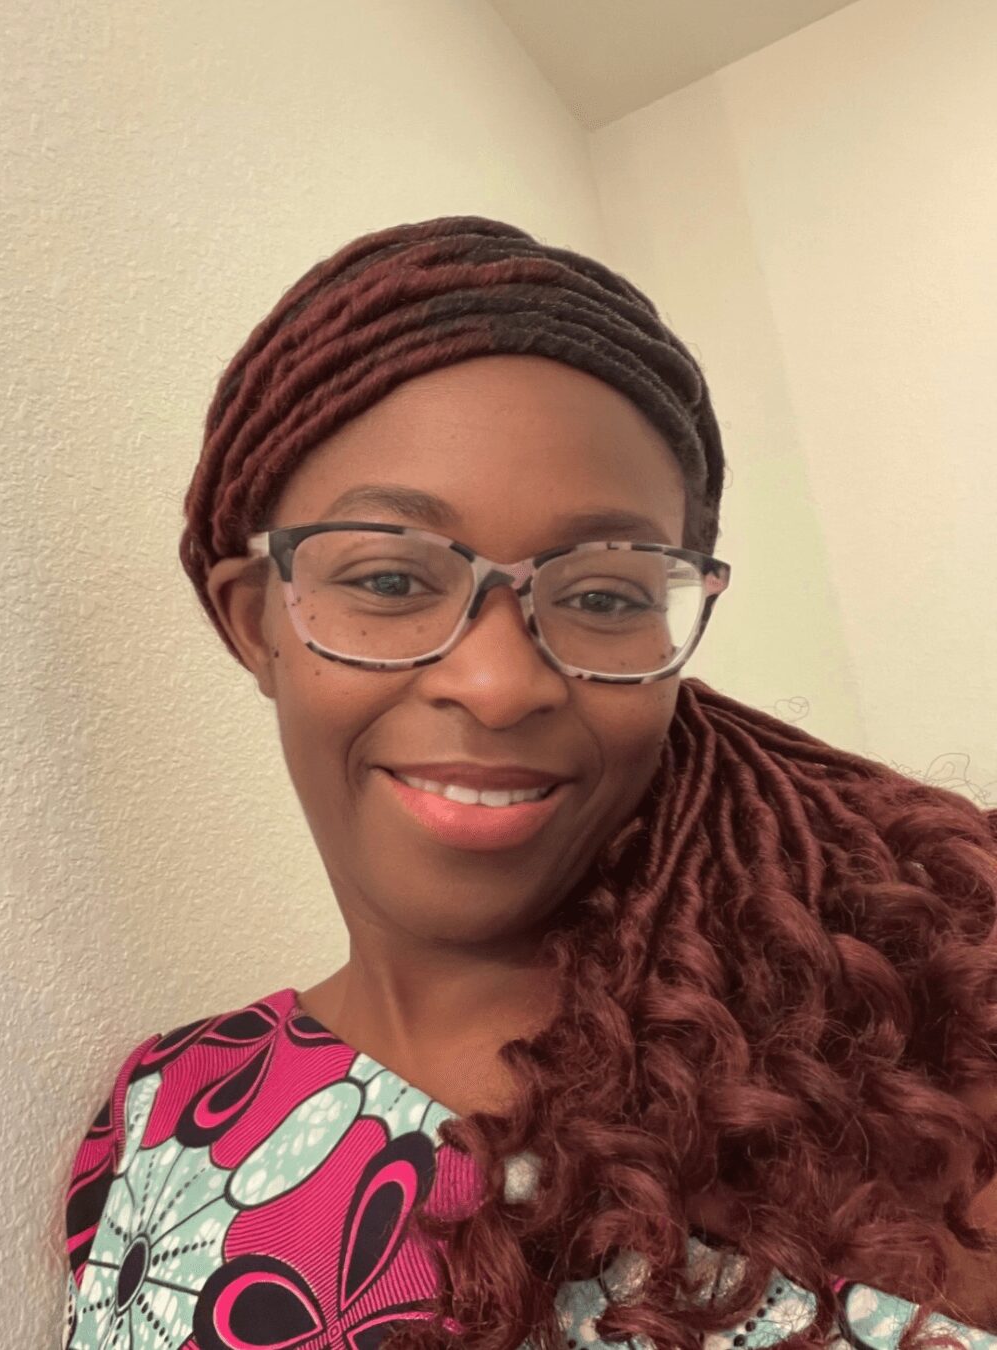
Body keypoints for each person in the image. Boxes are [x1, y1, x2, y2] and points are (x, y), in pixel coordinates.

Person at [59, 216, 997, 1350]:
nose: (500, 684)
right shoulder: (164, 1118)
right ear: (258, 623)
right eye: (393, 576)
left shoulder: (926, 1048)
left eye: (603, 596)